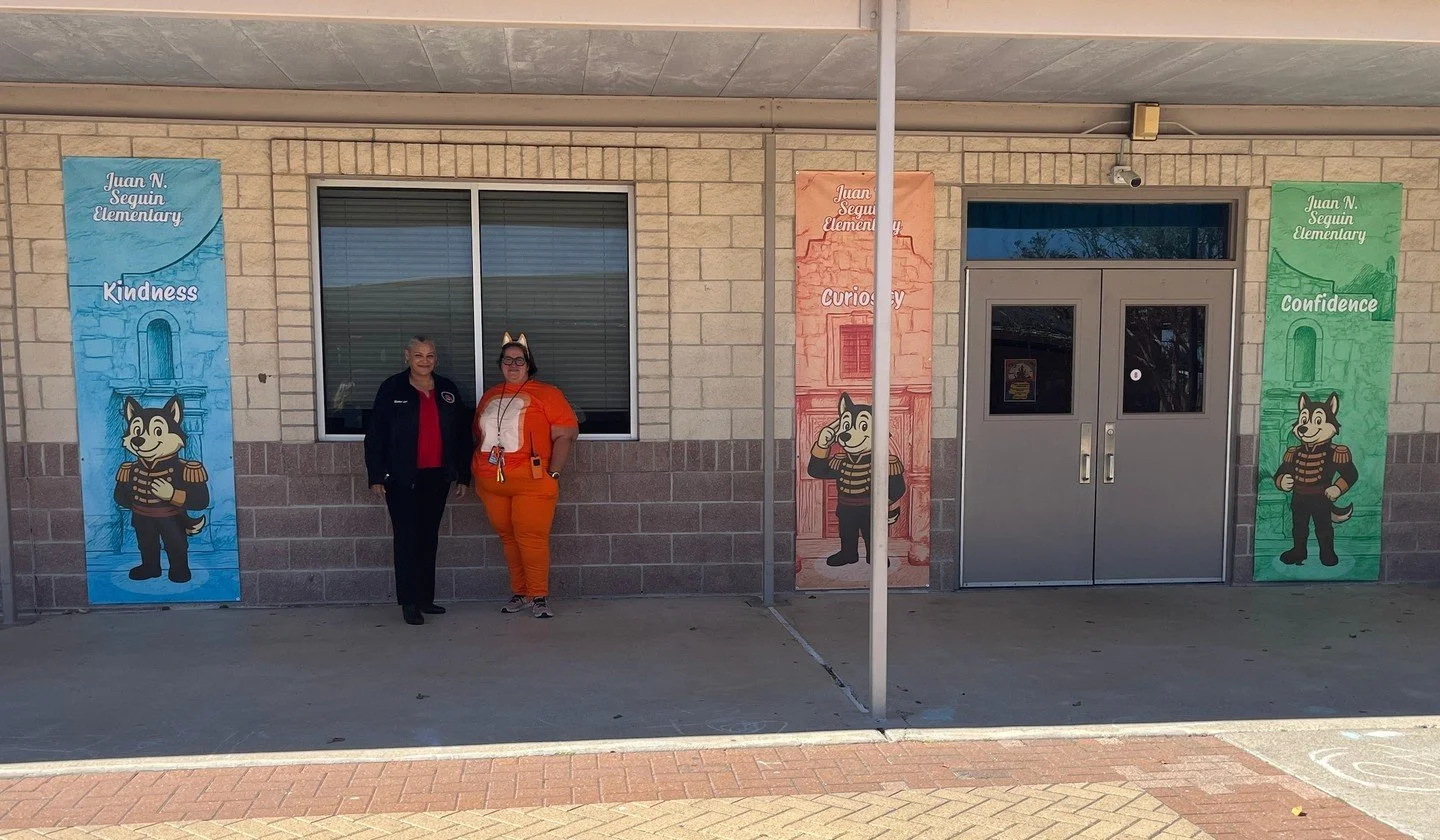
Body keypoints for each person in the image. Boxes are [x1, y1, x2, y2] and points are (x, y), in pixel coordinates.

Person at [364, 336, 472, 626]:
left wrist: (463, 474)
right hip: (401, 477)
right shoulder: (392, 388)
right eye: (418, 355)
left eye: (430, 356)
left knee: (428, 538)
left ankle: (426, 598)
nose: (424, 361)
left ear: (436, 358)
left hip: (437, 476)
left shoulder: (447, 389)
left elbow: (462, 435)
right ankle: (409, 602)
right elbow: (376, 435)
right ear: (407, 356)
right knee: (407, 538)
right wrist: (376, 475)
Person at [473, 332, 579, 619]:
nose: (513, 365)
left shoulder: (548, 394)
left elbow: (566, 433)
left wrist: (553, 472)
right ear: (500, 365)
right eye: (507, 360)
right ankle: (520, 592)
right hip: (491, 482)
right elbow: (479, 434)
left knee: (531, 537)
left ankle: (539, 596)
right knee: (509, 538)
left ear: (529, 364)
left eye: (520, 360)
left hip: (532, 482)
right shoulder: (490, 396)